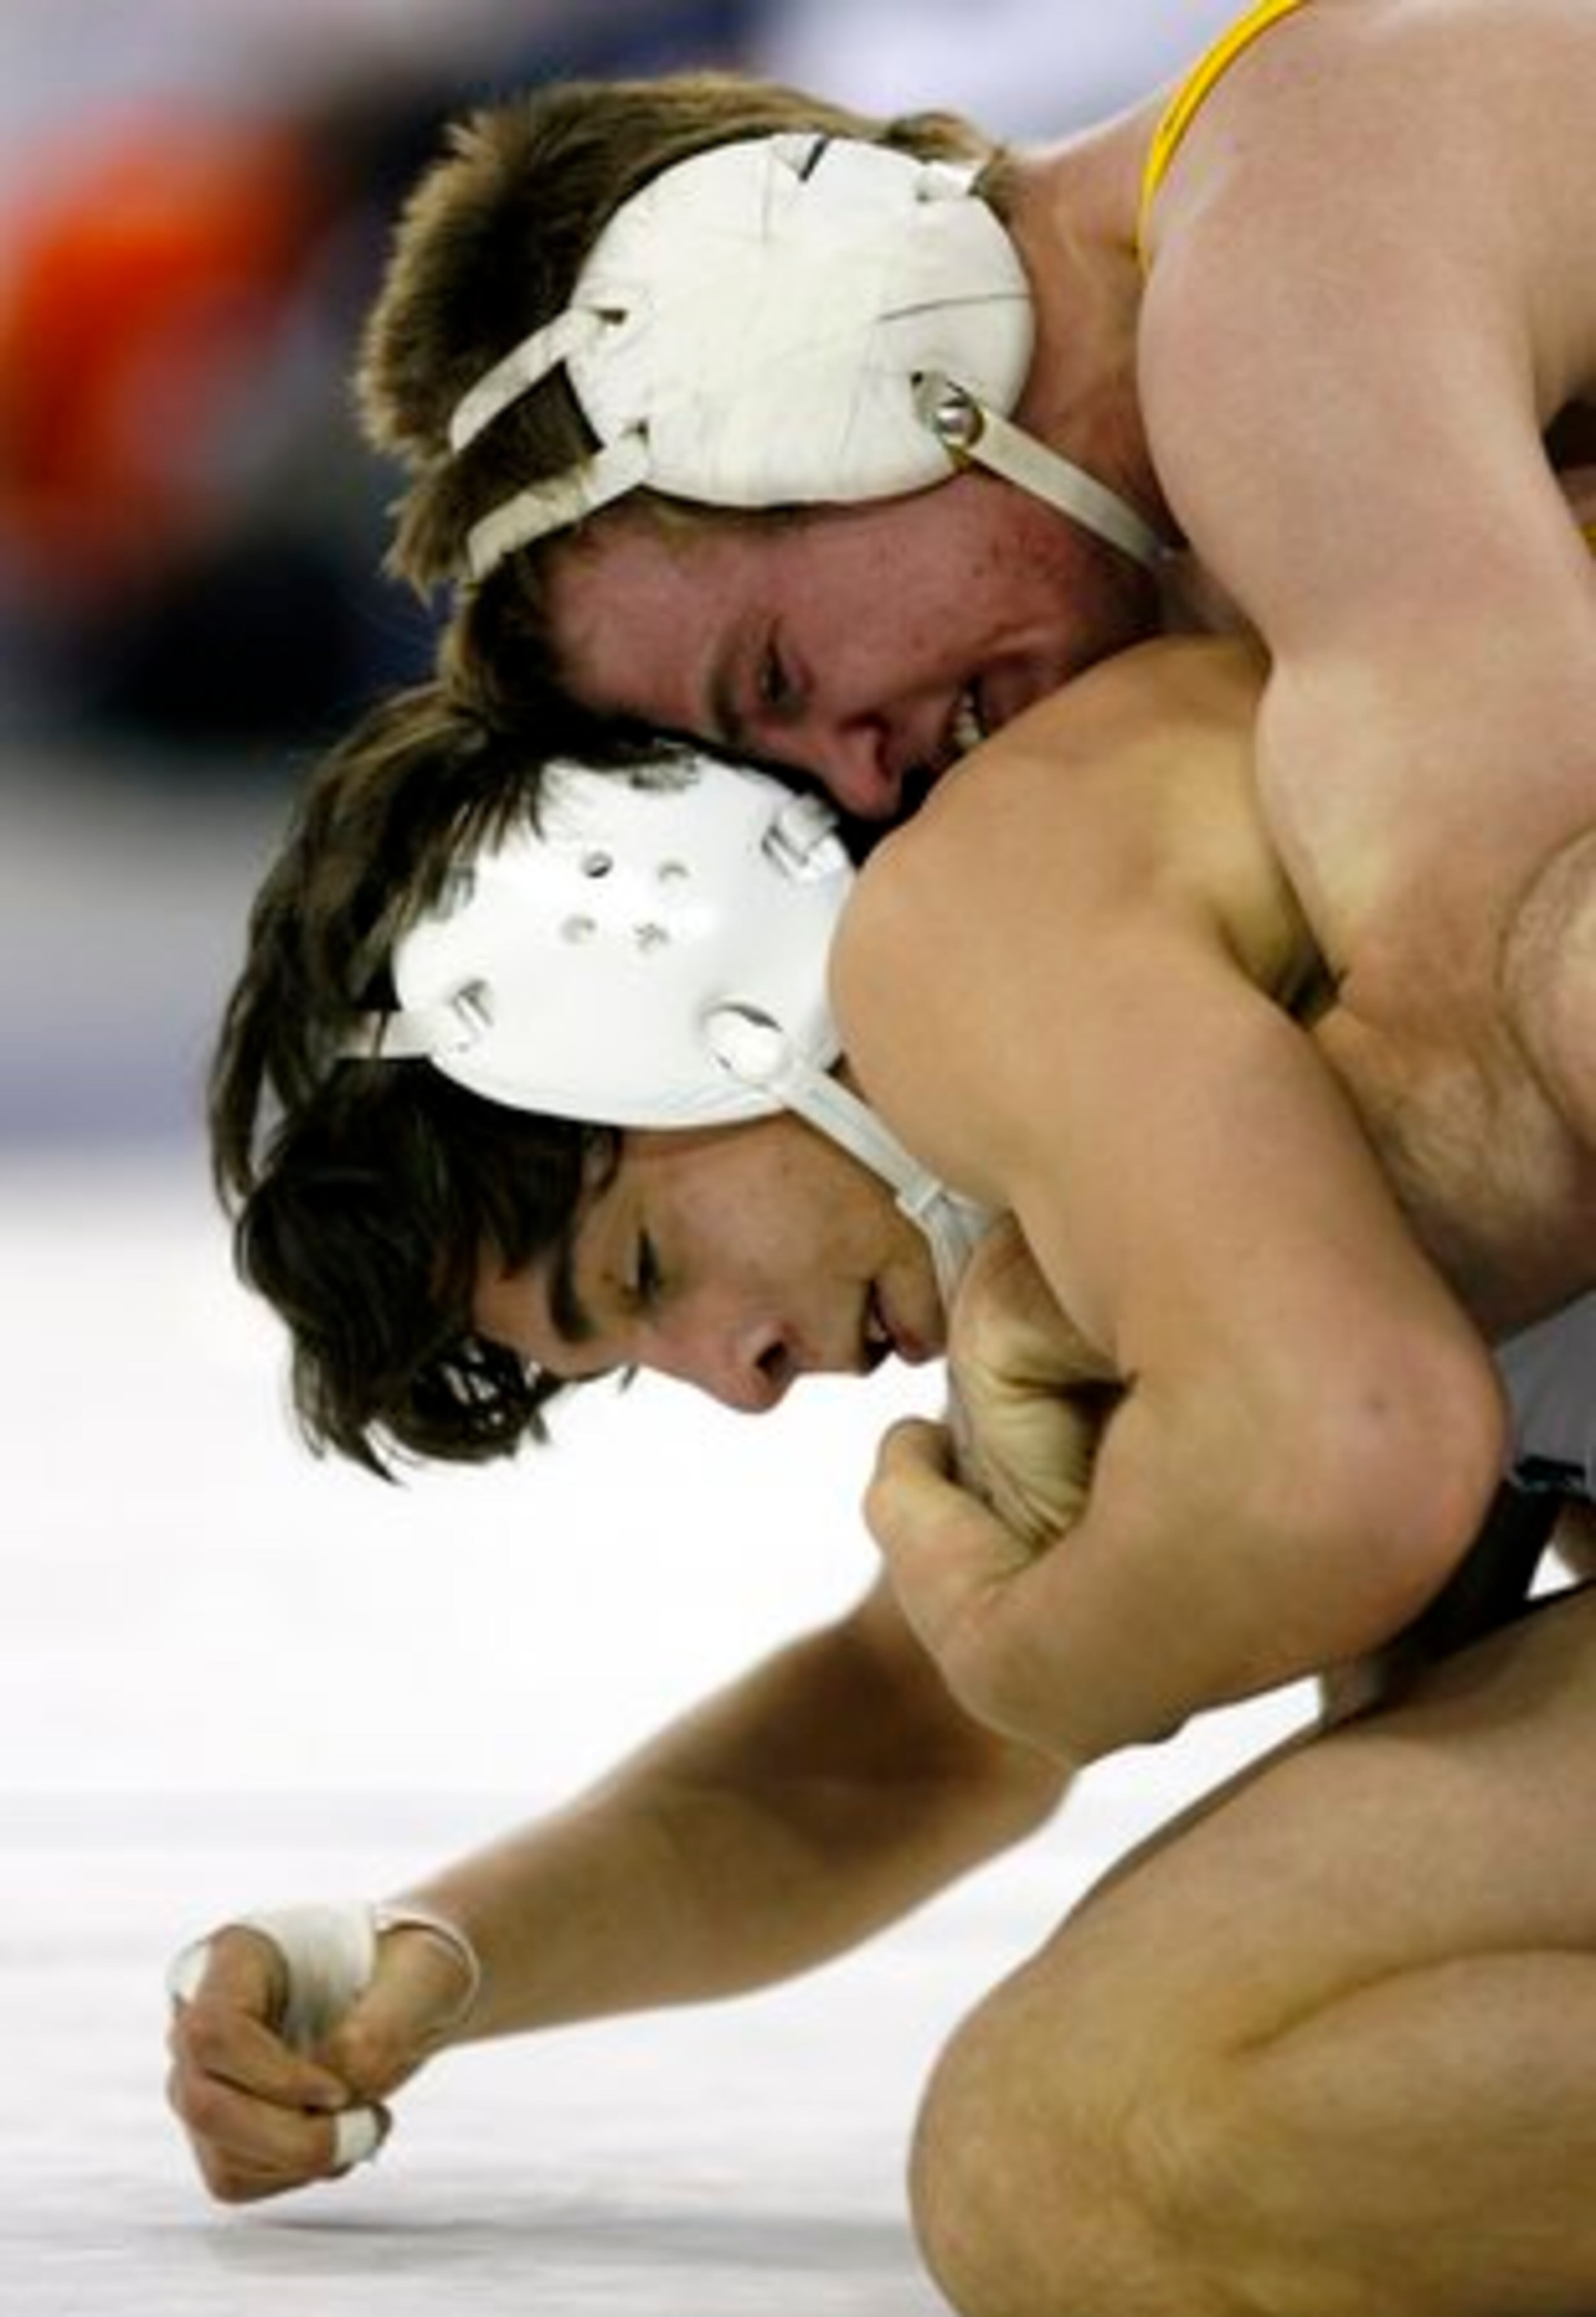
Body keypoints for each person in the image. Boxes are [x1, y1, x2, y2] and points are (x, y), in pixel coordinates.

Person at [169, 639, 1596, 2314]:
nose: (744, 1380)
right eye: (644, 1363)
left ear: (701, 985)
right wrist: (431, 1952)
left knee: (1082, 2142)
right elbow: (902, 1742)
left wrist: (1042, 1643)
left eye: (640, 1275)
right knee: (1108, 2132)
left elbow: (1294, 1497)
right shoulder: (1079, 1150)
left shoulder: (1033, 909)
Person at [352, 0, 1596, 1336]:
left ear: (850, 348)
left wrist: (1072, 1377)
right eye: (785, 763)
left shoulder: (1275, 291)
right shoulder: (1228, 502)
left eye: (775, 679)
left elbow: (1510, 1074)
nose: (864, 771)